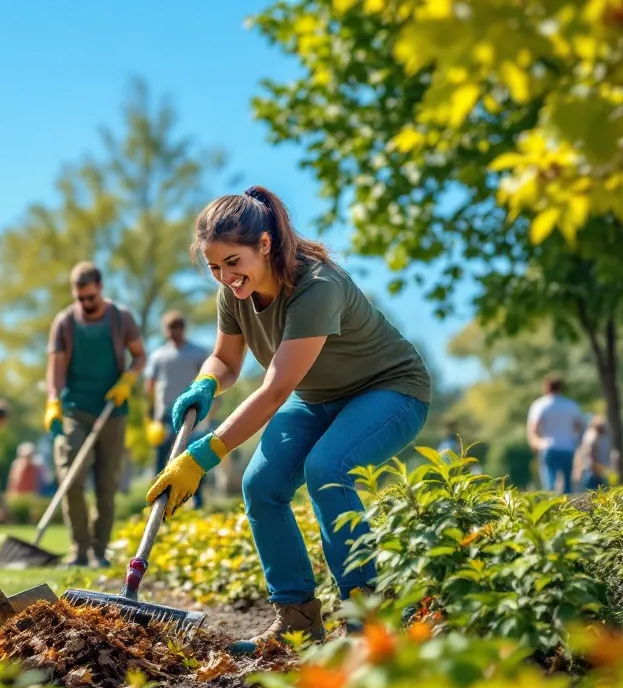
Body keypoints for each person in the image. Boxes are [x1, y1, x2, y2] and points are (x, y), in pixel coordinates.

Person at [145, 186, 431, 654]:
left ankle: (367, 621)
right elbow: (225, 358)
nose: (225, 277)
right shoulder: (233, 292)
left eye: (233, 263)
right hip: (316, 397)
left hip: (389, 390)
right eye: (214, 268)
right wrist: (205, 383)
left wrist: (202, 455)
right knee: (261, 486)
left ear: (265, 245)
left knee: (328, 470)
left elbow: (275, 390)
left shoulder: (317, 287)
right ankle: (296, 622)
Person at [44, 261, 146, 568]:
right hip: (75, 408)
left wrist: (128, 380)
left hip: (112, 410)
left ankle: (99, 551)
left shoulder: (121, 318)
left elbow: (140, 355)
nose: (86, 303)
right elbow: (56, 367)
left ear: (101, 289)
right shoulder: (65, 322)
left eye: (91, 297)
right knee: (70, 477)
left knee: (106, 484)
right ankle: (79, 548)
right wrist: (52, 402)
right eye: (80, 298)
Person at [144, 310, 211, 507]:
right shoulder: (158, 356)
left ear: (182, 328)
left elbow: (209, 380)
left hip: (191, 415)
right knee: (161, 461)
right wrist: (150, 416)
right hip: (164, 416)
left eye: (176, 328)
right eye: (168, 329)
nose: (172, 333)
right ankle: (158, 502)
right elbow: (149, 386)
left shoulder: (198, 353)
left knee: (193, 456)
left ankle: (197, 501)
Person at [526, 375, 584, 494]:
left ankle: (552, 509)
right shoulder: (571, 405)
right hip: (568, 447)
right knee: (567, 484)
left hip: (549, 446)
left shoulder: (540, 405)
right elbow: (580, 427)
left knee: (550, 484)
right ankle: (567, 508)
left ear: (546, 388)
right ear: (561, 388)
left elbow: (533, 429)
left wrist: (536, 444)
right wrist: (574, 441)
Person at [573, 415, 611, 491]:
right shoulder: (591, 436)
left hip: (601, 469)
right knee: (592, 491)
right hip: (592, 470)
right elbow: (590, 453)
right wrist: (593, 466)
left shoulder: (603, 437)